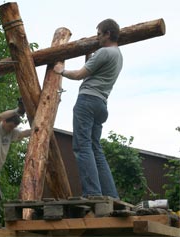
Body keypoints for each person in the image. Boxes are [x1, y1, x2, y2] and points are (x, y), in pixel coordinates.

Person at [54, 19, 122, 199]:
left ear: (108, 34)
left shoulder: (103, 52)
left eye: (99, 34)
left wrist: (61, 71)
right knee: (95, 148)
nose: (97, 37)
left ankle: (92, 192)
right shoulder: (117, 55)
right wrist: (88, 56)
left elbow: (79, 75)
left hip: (87, 101)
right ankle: (110, 194)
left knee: (82, 146)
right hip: (101, 104)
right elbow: (93, 69)